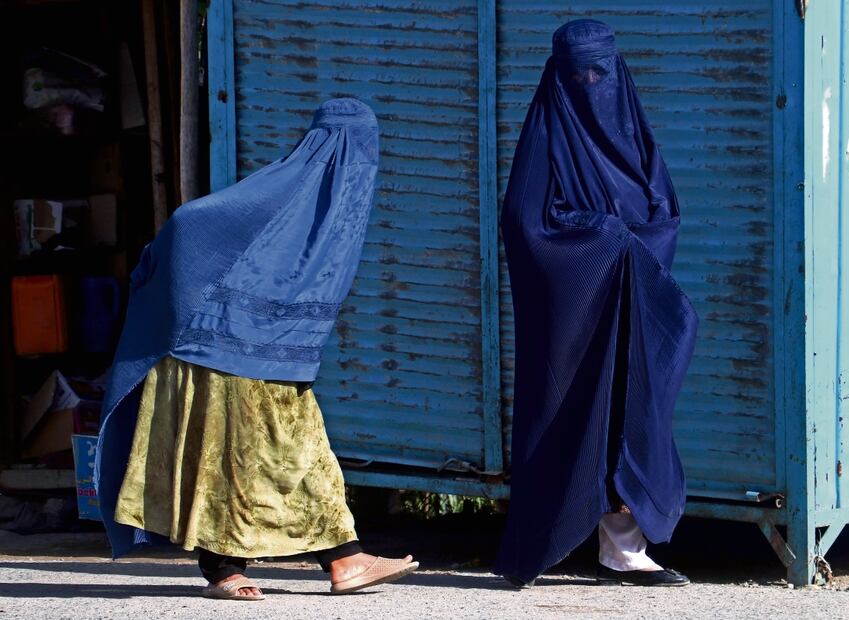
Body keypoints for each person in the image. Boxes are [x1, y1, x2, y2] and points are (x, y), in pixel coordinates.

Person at [94, 98, 418, 600]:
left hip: (270, 356)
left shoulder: (320, 203)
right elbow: (189, 224)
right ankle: (262, 567)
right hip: (213, 350)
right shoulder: (280, 197)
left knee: (280, 458)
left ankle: (329, 561)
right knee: (237, 459)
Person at [495, 20, 699, 587]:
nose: (589, 82)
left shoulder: (634, 136)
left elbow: (663, 214)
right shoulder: (547, 138)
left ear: (616, 72)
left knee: (636, 414)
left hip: (633, 306)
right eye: (577, 73)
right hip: (576, 312)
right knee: (571, 413)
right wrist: (605, 238)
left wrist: (634, 245)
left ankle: (622, 548)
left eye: (599, 72)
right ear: (559, 77)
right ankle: (547, 542)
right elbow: (524, 220)